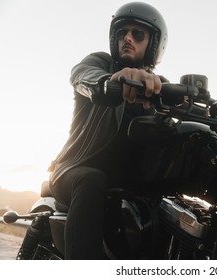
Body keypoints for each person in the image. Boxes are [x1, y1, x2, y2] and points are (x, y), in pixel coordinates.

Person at [48, 2, 168, 259]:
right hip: (74, 169)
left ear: (154, 44)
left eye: (138, 34)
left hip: (128, 187)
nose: (127, 37)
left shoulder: (159, 88)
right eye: (123, 31)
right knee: (92, 179)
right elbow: (82, 75)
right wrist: (109, 82)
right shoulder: (100, 64)